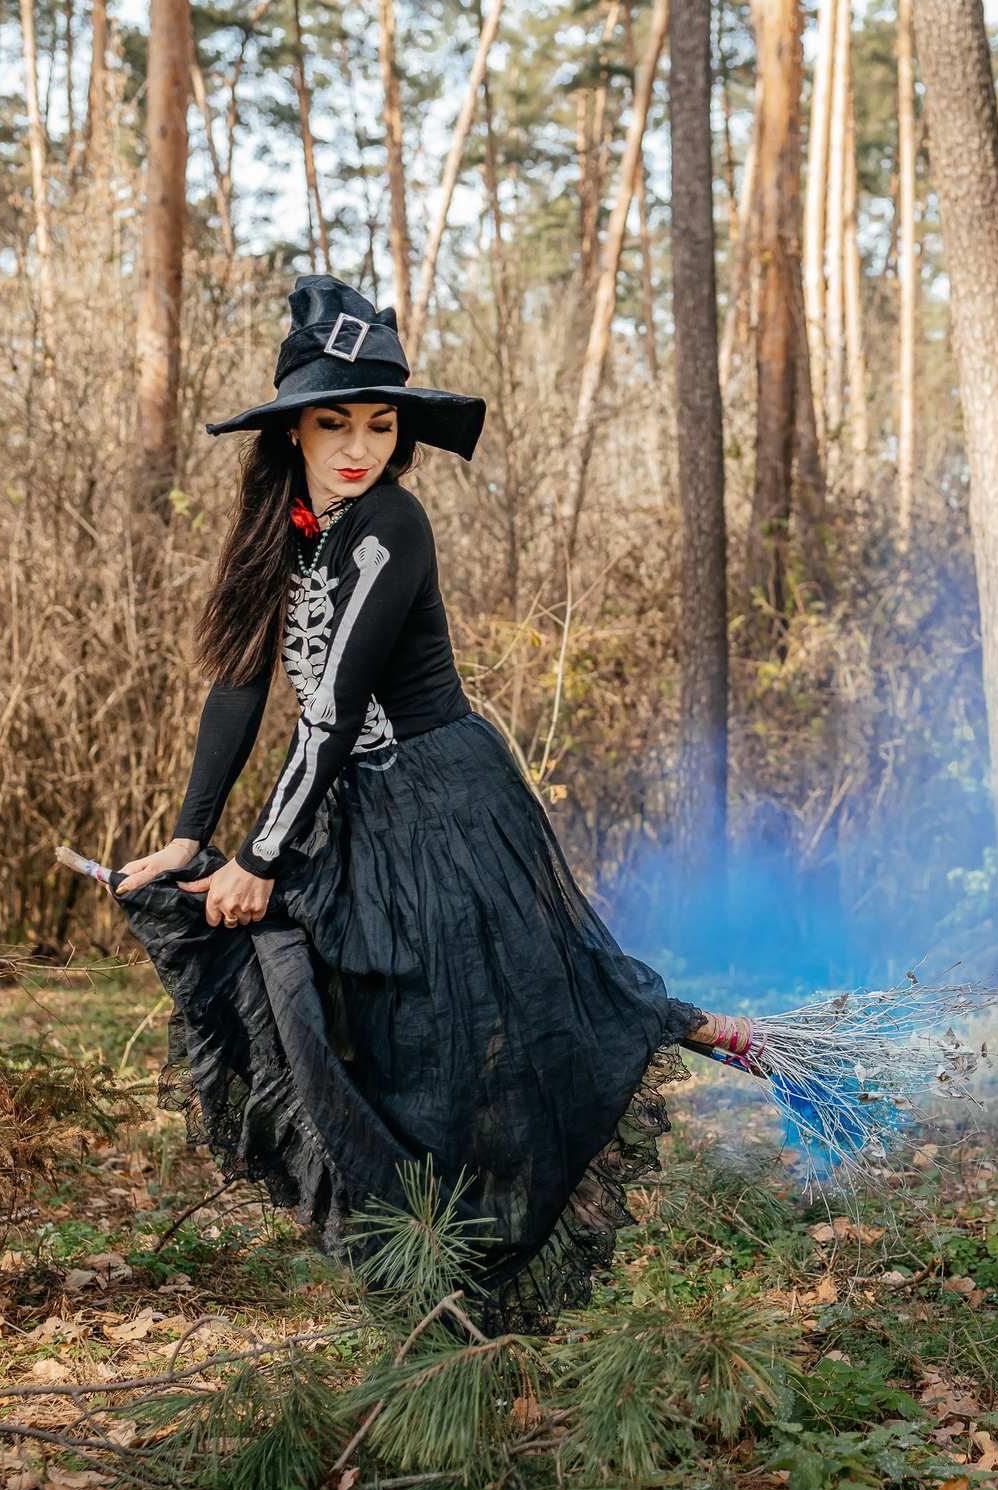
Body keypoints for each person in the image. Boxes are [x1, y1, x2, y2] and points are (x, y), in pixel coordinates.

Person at [106, 277, 745, 1329]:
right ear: (292, 433)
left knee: (491, 1019)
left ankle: (484, 1258)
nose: (360, 444)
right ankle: (420, 1258)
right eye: (334, 421)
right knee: (351, 1011)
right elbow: (240, 682)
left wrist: (256, 860)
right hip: (355, 807)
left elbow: (334, 712)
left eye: (380, 421)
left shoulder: (388, 524)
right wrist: (189, 836)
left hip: (441, 805)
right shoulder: (295, 527)